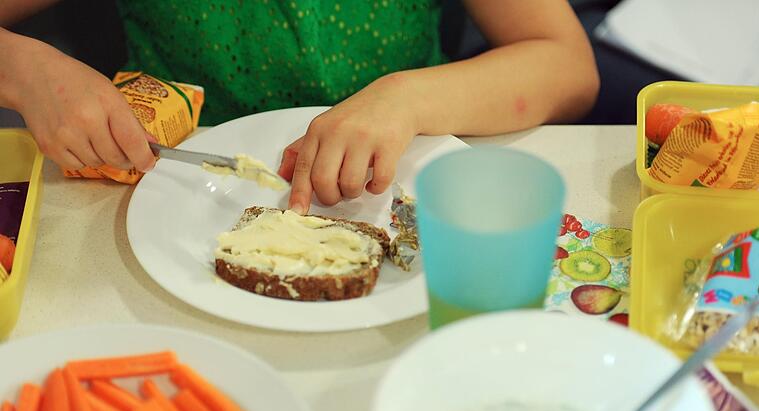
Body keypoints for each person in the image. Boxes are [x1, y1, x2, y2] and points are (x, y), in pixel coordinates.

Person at [0, 0, 598, 214]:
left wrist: (408, 98)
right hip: (171, 203)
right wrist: (23, 69)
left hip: (410, 202)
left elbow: (567, 67)